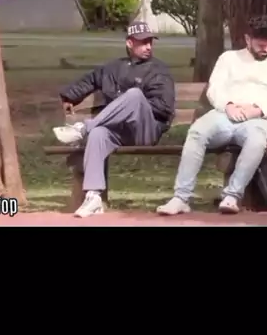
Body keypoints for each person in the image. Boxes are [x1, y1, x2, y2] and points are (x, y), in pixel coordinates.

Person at [157, 15, 267, 216]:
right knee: (197, 132)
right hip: (224, 115)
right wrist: (228, 106)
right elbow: (214, 89)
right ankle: (181, 198)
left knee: (257, 140)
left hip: (258, 119)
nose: (266, 49)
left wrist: (257, 110)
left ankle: (232, 196)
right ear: (247, 39)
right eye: (261, 45)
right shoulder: (228, 59)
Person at [53, 22, 175, 218]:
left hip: (147, 129)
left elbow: (165, 107)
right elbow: (90, 80)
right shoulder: (113, 68)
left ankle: (83, 129)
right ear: (129, 43)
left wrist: (133, 106)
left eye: (150, 42)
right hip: (120, 131)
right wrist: (68, 97)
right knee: (98, 133)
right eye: (143, 42)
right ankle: (93, 196)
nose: (148, 46)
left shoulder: (159, 70)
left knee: (134, 96)